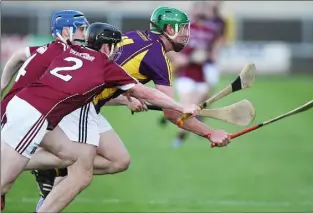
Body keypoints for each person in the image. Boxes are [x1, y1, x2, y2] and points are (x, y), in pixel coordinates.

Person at [30, 6, 232, 211]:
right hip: (79, 106)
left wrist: (125, 99)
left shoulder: (137, 36)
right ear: (168, 29)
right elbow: (172, 113)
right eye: (182, 29)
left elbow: (104, 81)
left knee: (119, 160)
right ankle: (30, 161)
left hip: (84, 101)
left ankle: (53, 168)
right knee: (81, 174)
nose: (186, 35)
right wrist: (210, 132)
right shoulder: (158, 57)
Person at [1, 21, 201, 212]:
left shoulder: (69, 49)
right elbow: (146, 92)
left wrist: (124, 100)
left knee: (71, 156)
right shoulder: (106, 66)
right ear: (105, 47)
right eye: (114, 47)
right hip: (34, 115)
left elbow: (79, 86)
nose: (117, 52)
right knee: (4, 184)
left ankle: (39, 167)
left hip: (27, 106)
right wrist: (181, 106)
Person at [0, 9, 89, 211]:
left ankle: (19, 163)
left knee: (68, 155)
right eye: (81, 29)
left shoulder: (48, 49)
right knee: (3, 184)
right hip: (20, 117)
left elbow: (16, 56)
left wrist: (3, 85)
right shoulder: (62, 55)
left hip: (32, 116)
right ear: (66, 31)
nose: (84, 34)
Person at [166, 3, 221, 147]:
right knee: (188, 106)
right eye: (198, 9)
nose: (201, 12)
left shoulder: (211, 31)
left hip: (201, 75)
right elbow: (167, 45)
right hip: (185, 74)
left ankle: (181, 135)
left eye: (203, 10)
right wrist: (178, 58)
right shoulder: (184, 28)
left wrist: (210, 55)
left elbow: (214, 50)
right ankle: (180, 137)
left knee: (193, 109)